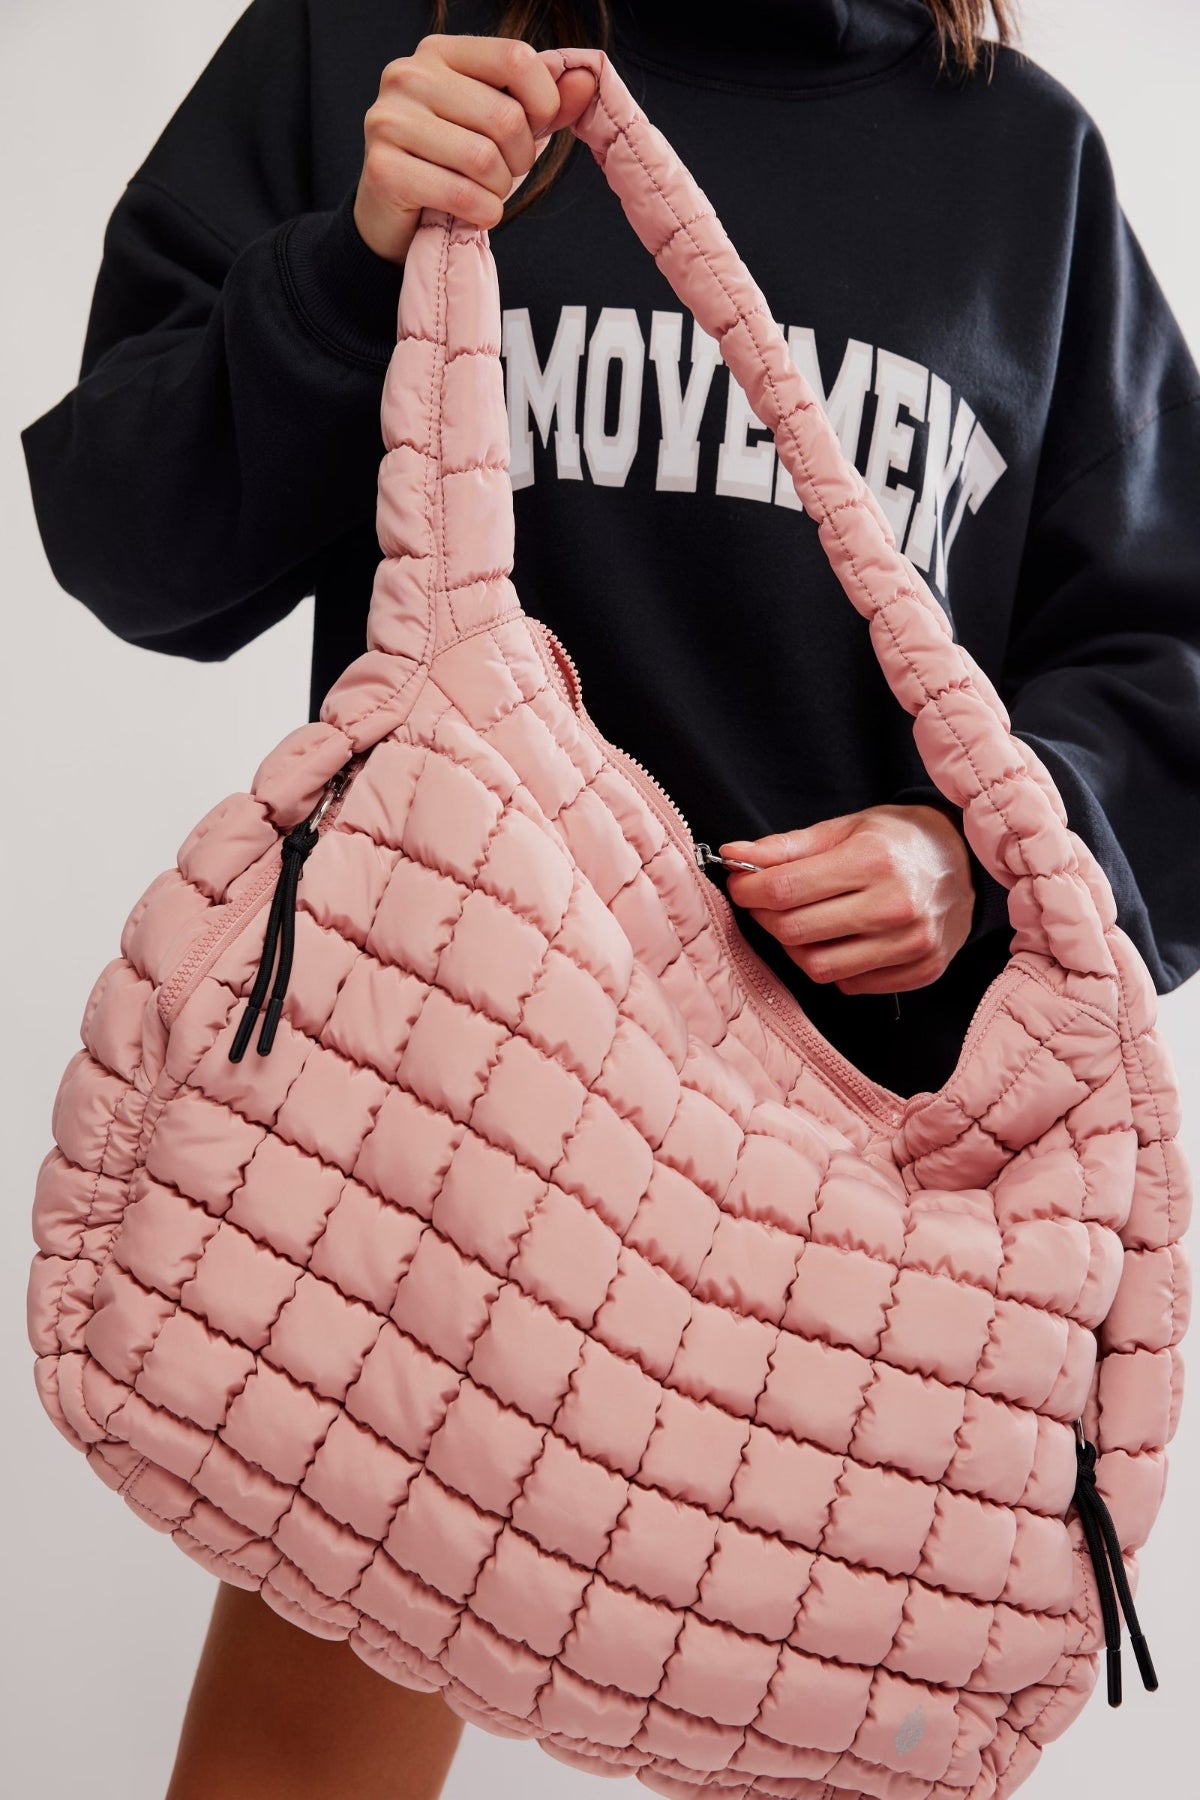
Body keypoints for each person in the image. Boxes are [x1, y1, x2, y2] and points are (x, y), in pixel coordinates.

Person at [19, 2, 1200, 1795]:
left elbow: (1170, 666)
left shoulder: (1024, 170)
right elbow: (128, 540)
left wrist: (979, 854)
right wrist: (348, 264)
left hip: (845, 1261)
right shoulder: (393, 38)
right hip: (432, 1179)